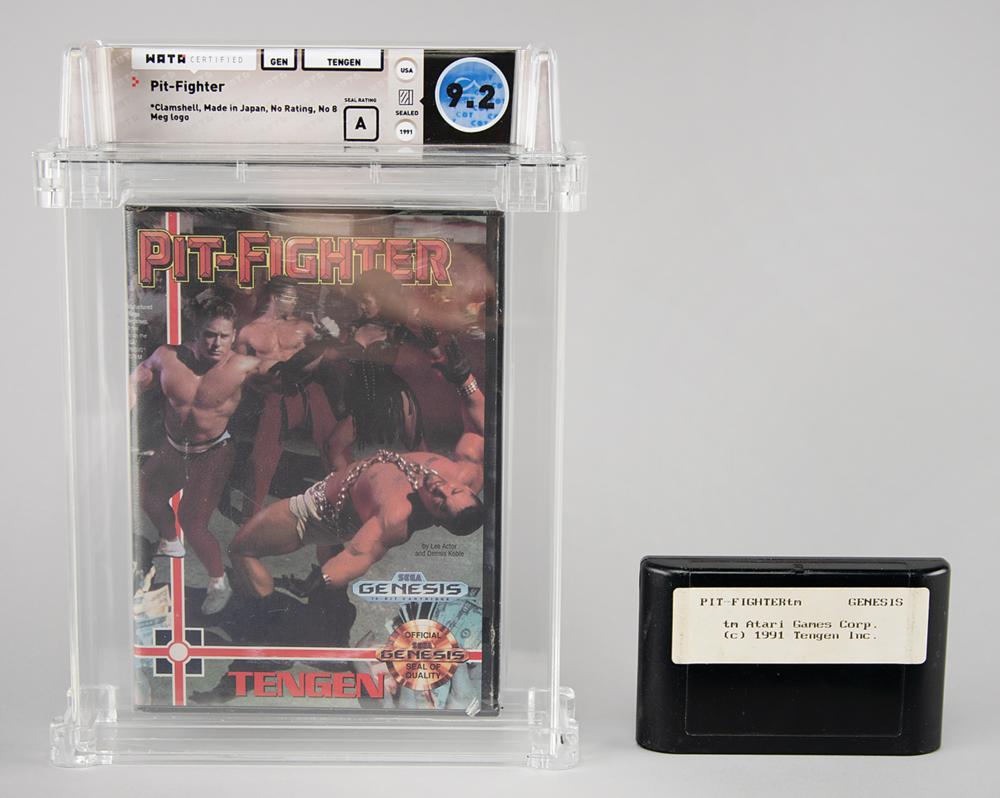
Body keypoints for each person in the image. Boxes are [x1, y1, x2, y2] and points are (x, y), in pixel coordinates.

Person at [228, 335, 485, 605]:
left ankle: (269, 613)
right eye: (454, 491)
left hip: (318, 512)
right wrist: (465, 379)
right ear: (467, 488)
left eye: (440, 504)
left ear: (437, 520)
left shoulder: (395, 516)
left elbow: (358, 556)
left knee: (241, 549)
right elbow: (480, 431)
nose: (441, 489)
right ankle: (329, 603)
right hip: (345, 493)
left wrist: (322, 579)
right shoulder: (466, 473)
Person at [130, 297, 279, 614]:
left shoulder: (244, 367)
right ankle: (171, 541)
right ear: (195, 333)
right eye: (210, 334)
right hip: (174, 447)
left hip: (213, 453)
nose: (216, 343)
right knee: (146, 492)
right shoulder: (168, 358)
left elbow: (279, 374)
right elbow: (139, 377)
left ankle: (219, 582)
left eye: (224, 336)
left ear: (234, 335)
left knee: (193, 523)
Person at [237, 276, 340, 513]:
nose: (294, 302)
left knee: (334, 448)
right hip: (274, 396)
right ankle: (250, 516)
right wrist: (259, 387)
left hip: (308, 391)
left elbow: (330, 355)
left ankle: (346, 504)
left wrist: (328, 340)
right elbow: (241, 370)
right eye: (290, 297)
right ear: (274, 298)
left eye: (295, 298)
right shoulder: (248, 331)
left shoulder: (304, 326)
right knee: (262, 458)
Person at [326, 270, 427, 471]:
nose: (361, 306)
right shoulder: (353, 328)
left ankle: (431, 487)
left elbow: (427, 349)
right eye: (359, 301)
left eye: (366, 301)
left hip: (395, 398)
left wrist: (422, 324)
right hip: (362, 400)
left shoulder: (396, 330)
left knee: (419, 450)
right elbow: (334, 356)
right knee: (333, 447)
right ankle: (351, 486)